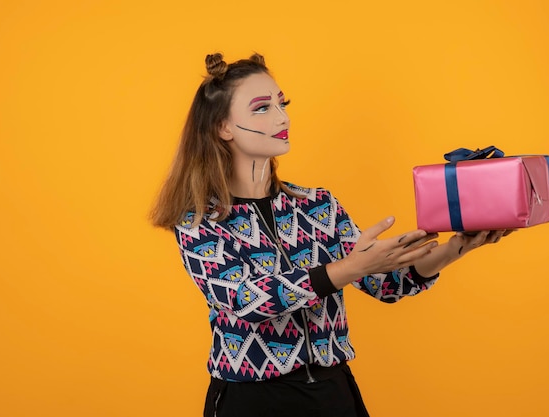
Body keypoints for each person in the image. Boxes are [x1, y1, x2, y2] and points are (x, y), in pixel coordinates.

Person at [150, 53, 510, 417]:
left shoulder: (317, 205)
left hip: (332, 395)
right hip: (252, 402)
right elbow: (247, 300)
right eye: (262, 108)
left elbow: (386, 283)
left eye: (282, 103)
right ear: (222, 128)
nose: (283, 117)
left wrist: (457, 246)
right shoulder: (199, 222)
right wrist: (349, 268)